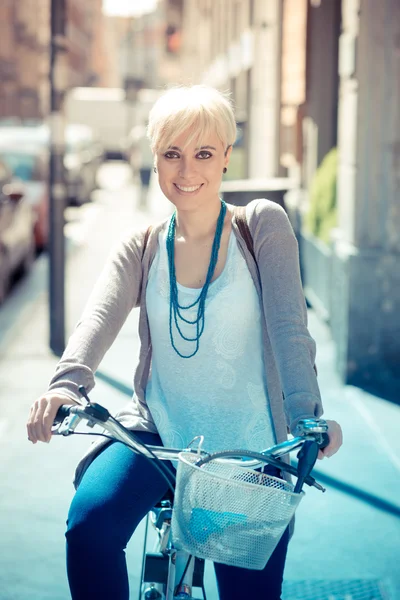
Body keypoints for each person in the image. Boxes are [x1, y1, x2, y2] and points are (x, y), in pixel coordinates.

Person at [27, 84, 343, 600]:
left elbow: (291, 329)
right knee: (88, 529)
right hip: (156, 437)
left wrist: (307, 416)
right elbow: (97, 319)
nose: (187, 169)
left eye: (202, 153)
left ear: (225, 158)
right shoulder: (142, 245)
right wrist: (65, 386)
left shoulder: (260, 226)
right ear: (154, 158)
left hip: (250, 448)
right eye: (172, 153)